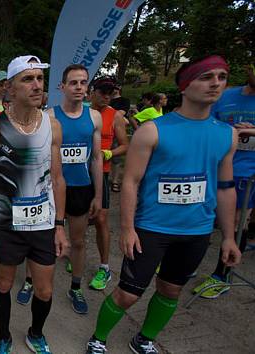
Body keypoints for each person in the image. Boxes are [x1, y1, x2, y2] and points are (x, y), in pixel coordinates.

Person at [85, 55, 242, 354]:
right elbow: (130, 181)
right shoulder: (153, 130)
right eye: (206, 77)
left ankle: (143, 338)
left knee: (171, 290)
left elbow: (225, 188)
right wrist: (128, 228)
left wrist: (230, 237)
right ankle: (98, 338)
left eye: (222, 77)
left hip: (196, 231)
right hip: (151, 228)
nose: (216, 83)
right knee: (128, 294)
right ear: (185, 85)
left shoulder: (227, 134)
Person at [0, 55, 68, 354]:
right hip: (6, 225)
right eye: (28, 79)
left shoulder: (53, 126)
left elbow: (57, 178)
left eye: (40, 78)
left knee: (45, 288)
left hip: (42, 223)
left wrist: (59, 225)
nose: (37, 85)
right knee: (4, 284)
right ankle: (4, 335)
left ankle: (35, 333)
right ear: (10, 89)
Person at [193, 61, 255, 299]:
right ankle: (185, 262)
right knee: (203, 215)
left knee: (237, 223)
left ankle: (222, 275)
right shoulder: (226, 96)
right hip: (213, 167)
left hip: (248, 174)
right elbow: (206, 122)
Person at [48, 64, 103, 315]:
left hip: (81, 188)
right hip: (52, 189)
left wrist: (98, 196)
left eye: (83, 82)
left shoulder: (94, 117)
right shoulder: (49, 116)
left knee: (78, 242)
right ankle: (31, 281)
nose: (79, 87)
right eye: (73, 82)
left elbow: (96, 159)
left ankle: (76, 286)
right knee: (43, 240)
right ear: (62, 87)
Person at [88, 77, 129, 291]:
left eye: (110, 93)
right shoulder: (81, 111)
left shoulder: (115, 116)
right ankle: (76, 252)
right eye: (102, 92)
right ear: (92, 92)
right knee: (80, 217)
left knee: (101, 218)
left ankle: (104, 268)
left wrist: (109, 152)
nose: (106, 96)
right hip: (78, 173)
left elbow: (125, 145)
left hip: (100, 173)